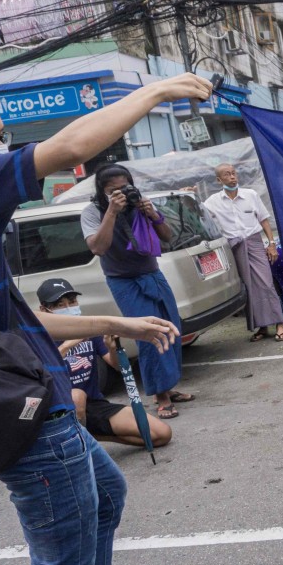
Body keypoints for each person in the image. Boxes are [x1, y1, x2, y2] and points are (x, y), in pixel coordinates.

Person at [0, 73, 211, 565]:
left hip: (36, 400)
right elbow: (70, 147)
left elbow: (17, 324)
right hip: (28, 415)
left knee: (106, 493)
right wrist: (157, 92)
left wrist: (117, 324)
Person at [81, 163, 196, 420]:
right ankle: (161, 397)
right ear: (102, 192)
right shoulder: (92, 212)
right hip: (124, 282)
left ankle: (168, 386)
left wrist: (153, 215)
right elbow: (98, 247)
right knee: (149, 334)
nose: (121, 194)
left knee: (171, 330)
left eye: (125, 188)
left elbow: (167, 237)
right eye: (113, 191)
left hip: (153, 275)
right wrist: (111, 211)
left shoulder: (140, 204)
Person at [36, 278, 172, 448]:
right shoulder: (38, 336)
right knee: (77, 395)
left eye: (72, 302)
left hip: (95, 404)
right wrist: (68, 344)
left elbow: (117, 366)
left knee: (161, 434)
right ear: (44, 309)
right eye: (60, 305)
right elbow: (39, 374)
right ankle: (79, 449)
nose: (69, 308)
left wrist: (112, 348)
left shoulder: (88, 328)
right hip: (61, 407)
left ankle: (94, 437)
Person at [200, 163, 283, 342]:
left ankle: (279, 324)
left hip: (254, 242)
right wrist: (191, 194)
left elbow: (264, 220)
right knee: (248, 287)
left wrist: (271, 244)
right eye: (227, 174)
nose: (232, 177)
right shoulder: (213, 202)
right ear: (219, 180)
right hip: (234, 247)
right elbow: (200, 214)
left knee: (266, 283)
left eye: (233, 173)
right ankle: (262, 327)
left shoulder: (250, 195)